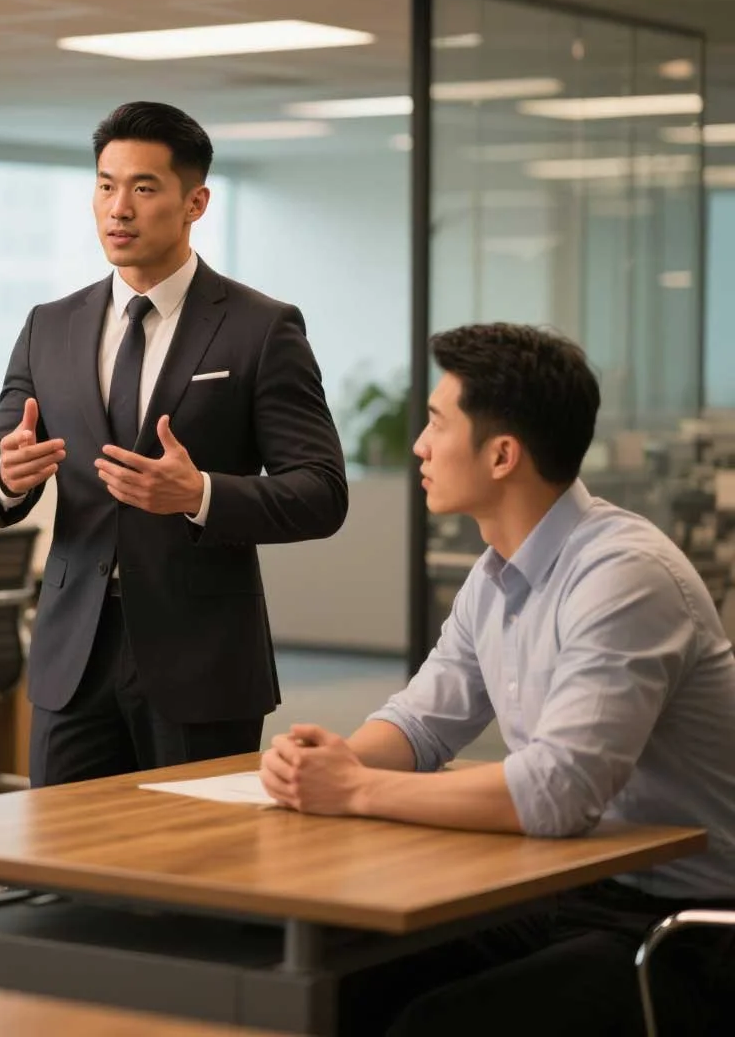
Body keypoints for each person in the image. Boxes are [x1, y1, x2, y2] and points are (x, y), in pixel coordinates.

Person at [260, 323, 735, 1036]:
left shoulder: (624, 575)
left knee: (436, 1023)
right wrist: (328, 762)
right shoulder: (496, 574)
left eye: (436, 423)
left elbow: (556, 792)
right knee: (343, 984)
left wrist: (355, 790)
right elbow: (423, 722)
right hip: (565, 889)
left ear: (503, 454)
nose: (418, 445)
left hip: (687, 929)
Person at [0, 100, 348, 787]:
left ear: (195, 201)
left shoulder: (260, 329)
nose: (119, 208)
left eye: (143, 188)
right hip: (71, 653)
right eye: (106, 185)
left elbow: (320, 492)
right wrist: (8, 477)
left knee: (195, 872)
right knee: (63, 866)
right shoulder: (48, 326)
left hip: (200, 655)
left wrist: (199, 494)